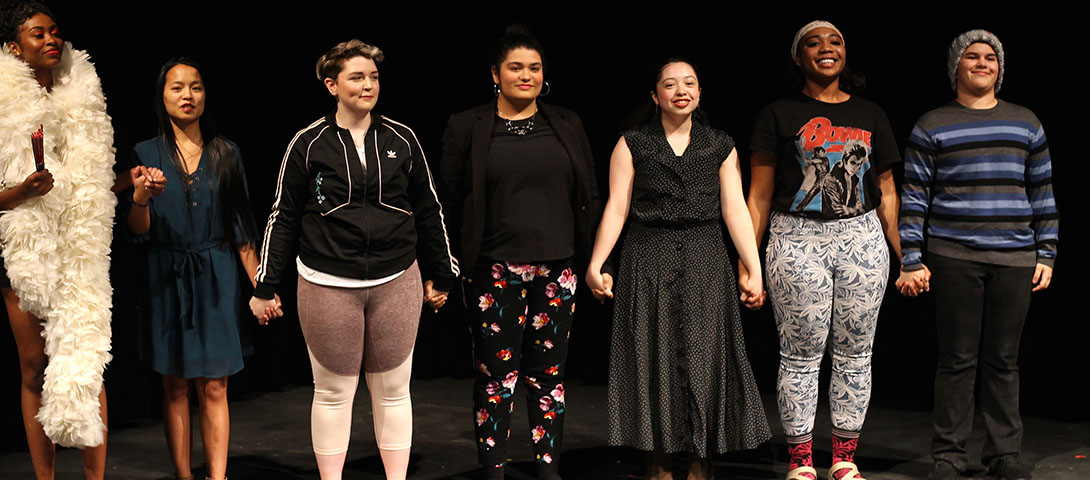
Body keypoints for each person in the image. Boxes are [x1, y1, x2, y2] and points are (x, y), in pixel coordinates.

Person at [248, 39, 458, 480]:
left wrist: (442, 274)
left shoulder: (402, 138)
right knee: (331, 393)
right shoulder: (307, 144)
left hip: (396, 279)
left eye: (374, 77)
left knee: (394, 392)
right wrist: (265, 287)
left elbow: (428, 209)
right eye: (357, 77)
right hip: (327, 283)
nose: (368, 85)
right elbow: (282, 217)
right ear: (331, 85)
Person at [584, 59, 771, 480]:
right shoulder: (632, 143)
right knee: (653, 356)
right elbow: (617, 207)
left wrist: (753, 268)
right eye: (670, 84)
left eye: (689, 83)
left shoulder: (719, 145)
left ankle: (702, 460)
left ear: (700, 93)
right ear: (656, 96)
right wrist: (597, 263)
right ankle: (659, 459)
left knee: (707, 360)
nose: (680, 90)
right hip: (648, 256)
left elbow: (735, 209)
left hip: (705, 256)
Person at [437, 25, 600, 480]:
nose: (525, 76)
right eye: (515, 67)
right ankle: (494, 467)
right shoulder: (466, 125)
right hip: (493, 269)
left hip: (558, 268)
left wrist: (592, 261)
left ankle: (548, 466)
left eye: (534, 68)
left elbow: (589, 192)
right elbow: (447, 201)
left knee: (549, 375)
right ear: (496, 73)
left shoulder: (565, 122)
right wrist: (449, 267)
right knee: (496, 375)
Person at [896, 30, 1057, 480]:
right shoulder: (932, 123)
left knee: (1004, 360)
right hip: (954, 255)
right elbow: (914, 197)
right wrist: (911, 256)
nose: (982, 63)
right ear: (956, 68)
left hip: (1016, 257)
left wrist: (1047, 251)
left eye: (990, 57)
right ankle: (948, 456)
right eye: (972, 56)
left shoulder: (1026, 122)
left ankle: (1004, 455)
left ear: (999, 69)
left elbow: (1042, 192)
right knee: (957, 359)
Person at [744, 20, 902, 480]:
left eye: (835, 42)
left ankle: (845, 458)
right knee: (800, 355)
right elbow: (757, 195)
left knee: (856, 355)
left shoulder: (871, 113)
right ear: (799, 58)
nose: (826, 49)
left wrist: (906, 254)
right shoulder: (778, 113)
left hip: (861, 238)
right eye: (813, 43)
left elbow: (888, 190)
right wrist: (749, 261)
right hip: (797, 239)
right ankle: (800, 462)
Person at [0, 1, 115, 477]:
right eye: (37, 34)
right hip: (23, 250)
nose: (52, 40)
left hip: (79, 246)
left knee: (86, 360)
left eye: (55, 32)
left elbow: (96, 185)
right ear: (14, 47)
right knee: (34, 366)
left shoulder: (84, 104)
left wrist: (132, 183)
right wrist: (21, 192)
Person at [126, 57, 266, 480]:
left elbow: (242, 230)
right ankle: (184, 476)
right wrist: (141, 198)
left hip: (218, 274)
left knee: (215, 384)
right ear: (162, 96)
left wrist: (262, 286)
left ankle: (217, 476)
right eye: (177, 87)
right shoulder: (145, 154)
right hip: (165, 279)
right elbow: (137, 232)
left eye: (196, 87)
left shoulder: (227, 154)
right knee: (174, 385)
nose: (188, 95)